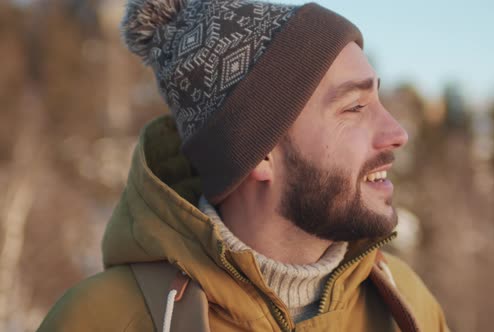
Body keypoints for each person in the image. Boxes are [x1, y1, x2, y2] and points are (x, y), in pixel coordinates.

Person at [39, 0, 450, 331]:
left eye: (378, 99)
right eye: (355, 107)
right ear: (261, 154)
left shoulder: (407, 306)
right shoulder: (98, 320)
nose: (397, 131)